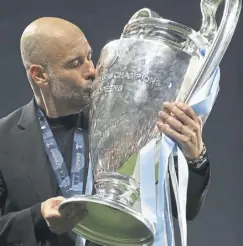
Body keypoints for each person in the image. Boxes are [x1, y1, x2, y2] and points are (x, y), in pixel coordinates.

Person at [0, 17, 210, 246]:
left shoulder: (127, 120)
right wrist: (38, 217)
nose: (92, 70)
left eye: (89, 56)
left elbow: (183, 208)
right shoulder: (4, 139)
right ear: (40, 74)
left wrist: (195, 157)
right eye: (75, 63)